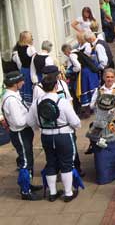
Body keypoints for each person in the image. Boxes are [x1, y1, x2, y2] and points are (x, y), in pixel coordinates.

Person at [26, 72, 81, 202]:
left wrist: (39, 128)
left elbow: (29, 121)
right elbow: (75, 122)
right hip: (63, 135)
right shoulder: (63, 102)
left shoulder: (36, 103)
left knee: (51, 162)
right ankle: (68, 193)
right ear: (56, 86)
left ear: (42, 87)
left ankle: (52, 193)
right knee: (67, 163)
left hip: (46, 137)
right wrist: (75, 127)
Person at [1, 71, 44, 200]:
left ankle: (28, 185)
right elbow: (19, 122)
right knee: (25, 161)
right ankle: (25, 191)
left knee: (28, 159)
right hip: (20, 133)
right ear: (15, 83)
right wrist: (31, 117)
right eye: (21, 81)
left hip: (24, 132)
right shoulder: (11, 100)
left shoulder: (13, 95)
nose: (24, 82)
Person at [12, 31, 36, 104]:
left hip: (23, 70)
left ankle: (25, 104)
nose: (32, 38)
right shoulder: (31, 48)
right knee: (30, 88)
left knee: (24, 88)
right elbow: (35, 61)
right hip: (30, 70)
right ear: (26, 39)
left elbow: (18, 61)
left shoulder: (18, 48)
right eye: (31, 37)